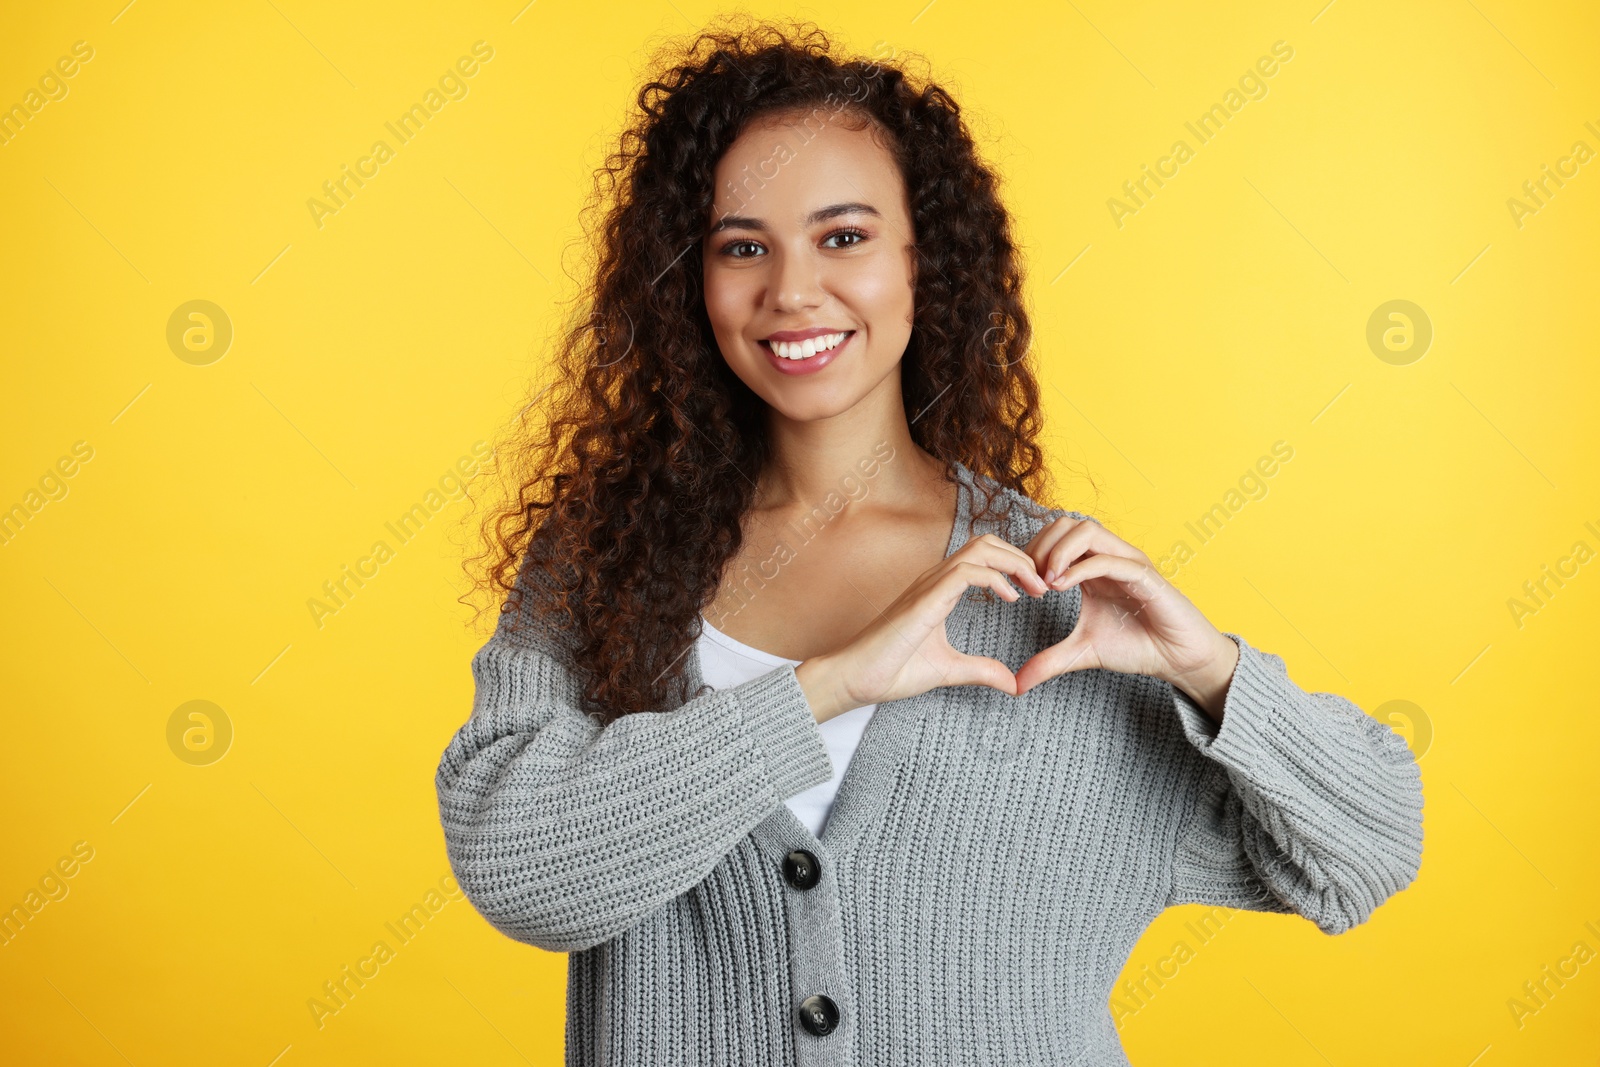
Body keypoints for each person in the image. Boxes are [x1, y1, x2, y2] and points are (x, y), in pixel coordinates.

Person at [436, 19, 1424, 1065]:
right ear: (690, 278)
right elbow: (524, 869)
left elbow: (1363, 851)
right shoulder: (606, 560)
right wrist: (823, 686)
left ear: (925, 263)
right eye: (741, 246)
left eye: (844, 236)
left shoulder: (1051, 593)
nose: (792, 290)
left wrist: (1212, 671)